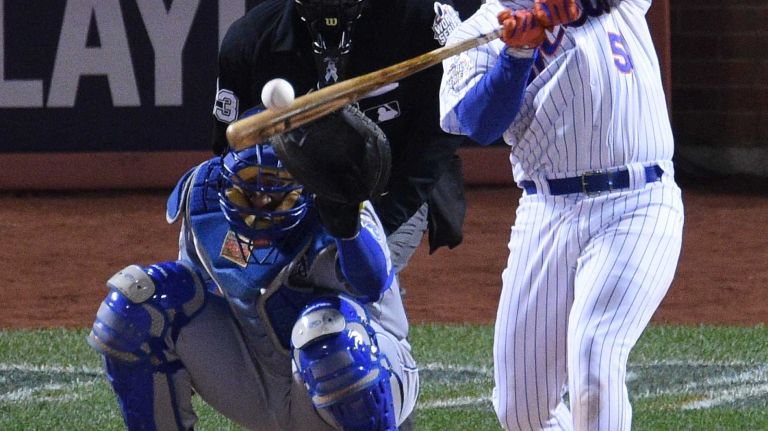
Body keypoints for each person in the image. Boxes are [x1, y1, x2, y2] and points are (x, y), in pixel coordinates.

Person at [87, 105, 418, 430]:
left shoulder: (339, 203)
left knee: (327, 335)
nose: (260, 205)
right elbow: (189, 293)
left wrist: (347, 229)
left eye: (275, 196)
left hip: (373, 376)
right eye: (249, 190)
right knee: (138, 305)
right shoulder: (205, 200)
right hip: (259, 375)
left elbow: (373, 283)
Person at [439, 1, 685, 430]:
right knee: (520, 409)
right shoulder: (480, 31)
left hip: (638, 202)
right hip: (546, 211)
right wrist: (516, 57)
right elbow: (478, 122)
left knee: (595, 350)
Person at [211, 0, 468, 284]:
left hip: (389, 187)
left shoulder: (422, 23)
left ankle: (379, 318)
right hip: (279, 193)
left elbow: (438, 137)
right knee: (229, 278)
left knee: (346, 283)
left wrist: (371, 228)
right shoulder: (250, 38)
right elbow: (228, 156)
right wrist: (254, 222)